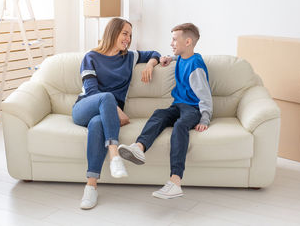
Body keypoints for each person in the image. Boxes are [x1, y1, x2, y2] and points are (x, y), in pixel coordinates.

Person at [72, 17, 161, 209]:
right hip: (85, 107)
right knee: (107, 97)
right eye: (124, 34)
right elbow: (92, 91)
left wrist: (150, 64)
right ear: (112, 32)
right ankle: (114, 155)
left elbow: (155, 53)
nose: (128, 39)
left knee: (97, 124)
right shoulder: (91, 57)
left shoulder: (130, 57)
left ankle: (91, 186)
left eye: (130, 35)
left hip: (105, 114)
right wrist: (116, 109)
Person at [118, 23, 212, 199]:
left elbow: (205, 96)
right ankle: (139, 147)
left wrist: (204, 119)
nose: (171, 43)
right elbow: (181, 58)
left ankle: (175, 182)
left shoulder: (196, 66)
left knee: (180, 126)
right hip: (178, 105)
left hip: (193, 109)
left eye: (175, 40)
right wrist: (170, 58)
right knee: (159, 114)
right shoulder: (184, 58)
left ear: (188, 41)